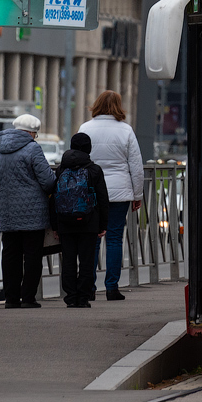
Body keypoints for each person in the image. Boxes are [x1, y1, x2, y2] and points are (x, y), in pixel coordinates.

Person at [78, 91, 144, 301]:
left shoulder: (85, 128)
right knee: (114, 239)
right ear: (118, 106)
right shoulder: (126, 131)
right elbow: (136, 166)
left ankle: (89, 288)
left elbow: (78, 159)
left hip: (91, 192)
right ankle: (112, 287)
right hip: (119, 192)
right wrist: (137, 194)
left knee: (92, 239)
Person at [0, 114, 56, 309]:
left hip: (7, 211)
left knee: (10, 255)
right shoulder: (33, 149)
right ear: (31, 133)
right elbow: (48, 181)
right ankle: (28, 298)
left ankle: (11, 299)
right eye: (35, 134)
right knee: (33, 255)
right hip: (32, 213)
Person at [52, 131, 110, 308]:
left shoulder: (61, 169)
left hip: (65, 222)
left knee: (68, 260)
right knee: (86, 261)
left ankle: (70, 297)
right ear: (89, 149)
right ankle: (83, 298)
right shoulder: (94, 170)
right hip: (89, 222)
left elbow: (54, 198)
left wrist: (55, 225)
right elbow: (102, 199)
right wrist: (102, 225)